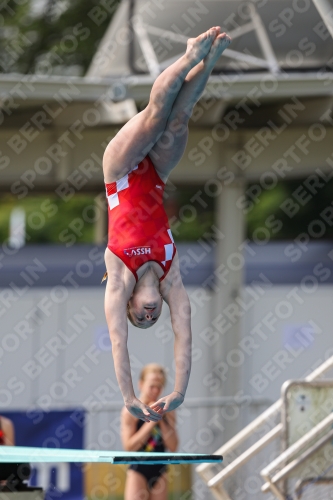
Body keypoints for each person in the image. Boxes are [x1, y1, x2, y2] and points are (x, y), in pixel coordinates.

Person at [103, 27, 231, 422]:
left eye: (141, 316)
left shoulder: (119, 277)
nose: (150, 315)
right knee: (178, 121)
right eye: (153, 319)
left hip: (121, 171)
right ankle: (209, 61)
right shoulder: (170, 276)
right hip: (156, 174)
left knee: (157, 117)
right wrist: (178, 389)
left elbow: (118, 343)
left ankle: (190, 53)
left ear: (129, 305)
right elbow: (185, 334)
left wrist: (129, 397)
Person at [121, 364, 178, 500]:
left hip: (160, 469)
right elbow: (129, 447)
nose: (155, 390)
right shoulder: (131, 412)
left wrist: (162, 420)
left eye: (159, 387)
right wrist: (152, 422)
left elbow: (173, 446)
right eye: (152, 386)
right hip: (139, 468)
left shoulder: (168, 410)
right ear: (141, 384)